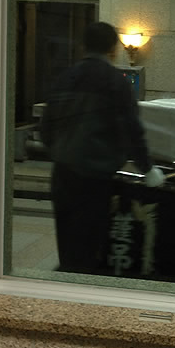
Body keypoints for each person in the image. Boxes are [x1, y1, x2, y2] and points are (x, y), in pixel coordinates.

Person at [41, 21, 164, 274]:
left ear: (83, 46)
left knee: (67, 242)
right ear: (113, 49)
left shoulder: (65, 77)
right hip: (95, 179)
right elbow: (132, 130)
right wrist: (147, 169)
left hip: (62, 175)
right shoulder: (115, 82)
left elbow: (46, 128)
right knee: (89, 246)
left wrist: (60, 151)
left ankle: (65, 284)